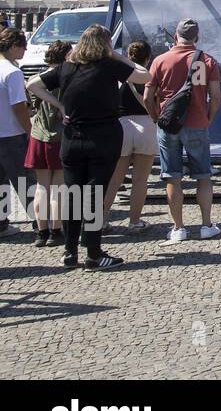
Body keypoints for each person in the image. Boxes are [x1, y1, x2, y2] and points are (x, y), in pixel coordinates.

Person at [28, 25, 150, 270]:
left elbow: (32, 84)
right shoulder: (109, 65)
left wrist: (60, 105)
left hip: (72, 139)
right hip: (102, 138)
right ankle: (93, 253)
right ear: (105, 44)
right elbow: (144, 75)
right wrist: (117, 55)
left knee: (73, 195)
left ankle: (69, 252)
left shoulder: (67, 67)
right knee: (94, 195)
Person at [144, 19, 221, 244]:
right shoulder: (207, 61)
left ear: (175, 36)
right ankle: (207, 225)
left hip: (169, 125)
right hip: (198, 123)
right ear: (196, 37)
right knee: (204, 175)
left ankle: (178, 227)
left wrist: (155, 118)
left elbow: (147, 97)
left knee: (172, 176)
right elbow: (216, 96)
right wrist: (208, 117)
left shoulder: (160, 60)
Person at [102, 41, 156, 235]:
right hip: (146, 126)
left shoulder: (117, 76)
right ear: (147, 57)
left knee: (114, 179)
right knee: (140, 180)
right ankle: (134, 222)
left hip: (121, 126)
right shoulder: (145, 76)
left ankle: (101, 220)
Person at [25, 39, 69, 246]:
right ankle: (56, 231)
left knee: (42, 187)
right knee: (58, 188)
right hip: (59, 137)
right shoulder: (65, 78)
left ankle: (41, 232)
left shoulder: (39, 78)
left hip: (39, 135)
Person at [0, 28, 32, 239]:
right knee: (25, 182)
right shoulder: (13, 73)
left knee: (0, 183)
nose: (25, 50)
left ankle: (1, 224)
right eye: (23, 46)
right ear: (13, 46)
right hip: (12, 134)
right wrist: (30, 131)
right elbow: (19, 107)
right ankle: (43, 224)